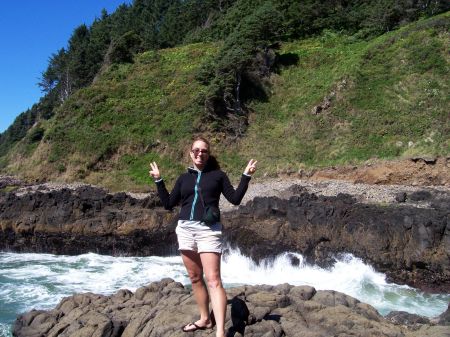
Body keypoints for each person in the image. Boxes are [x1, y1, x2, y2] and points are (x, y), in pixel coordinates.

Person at [149, 136, 257, 336]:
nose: (200, 153)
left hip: (208, 231)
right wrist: (158, 180)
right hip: (185, 229)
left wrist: (246, 176)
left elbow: (234, 199)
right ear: (191, 153)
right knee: (195, 277)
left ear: (208, 154)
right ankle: (205, 319)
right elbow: (168, 203)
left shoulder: (218, 176)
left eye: (204, 151)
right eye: (196, 150)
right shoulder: (184, 179)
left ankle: (221, 332)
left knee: (214, 280)